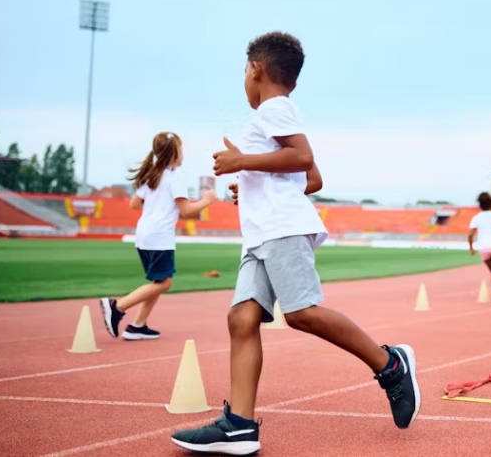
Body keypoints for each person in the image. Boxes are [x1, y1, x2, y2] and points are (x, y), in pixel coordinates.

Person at [171, 31, 419, 455]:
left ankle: (390, 365)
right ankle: (239, 426)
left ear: (256, 68)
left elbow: (303, 159)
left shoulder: (275, 109)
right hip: (262, 231)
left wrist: (241, 162)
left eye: (244, 71)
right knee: (241, 320)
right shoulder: (272, 116)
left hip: (281, 229)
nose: (244, 79)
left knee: (302, 313)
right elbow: (312, 179)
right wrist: (249, 184)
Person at [99, 132, 218, 340]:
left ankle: (138, 325)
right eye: (181, 150)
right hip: (160, 237)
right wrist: (208, 200)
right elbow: (187, 210)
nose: (183, 155)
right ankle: (117, 306)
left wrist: (156, 207)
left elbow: (134, 204)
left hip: (144, 234)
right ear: (174, 154)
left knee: (157, 281)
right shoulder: (175, 178)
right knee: (164, 283)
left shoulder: (153, 175)